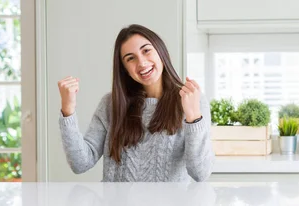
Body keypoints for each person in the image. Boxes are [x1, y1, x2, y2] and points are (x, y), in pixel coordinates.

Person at [57, 24, 214, 182]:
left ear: (160, 51)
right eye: (130, 58)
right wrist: (68, 110)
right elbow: (80, 163)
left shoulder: (192, 100)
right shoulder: (110, 104)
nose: (142, 63)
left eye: (146, 51)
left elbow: (200, 173)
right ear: (124, 68)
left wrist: (194, 117)